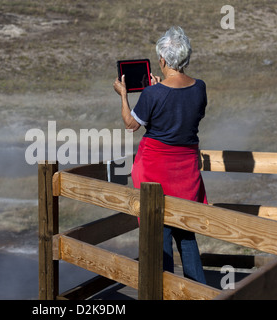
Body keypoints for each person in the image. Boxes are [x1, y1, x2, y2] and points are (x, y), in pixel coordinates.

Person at [113, 26, 207, 284]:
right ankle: (199, 291)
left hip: (155, 169)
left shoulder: (152, 93)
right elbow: (187, 116)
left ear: (163, 60)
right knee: (186, 235)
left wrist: (123, 96)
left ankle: (163, 289)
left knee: (159, 235)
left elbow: (131, 125)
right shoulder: (200, 87)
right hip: (186, 170)